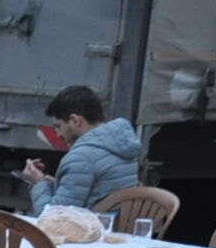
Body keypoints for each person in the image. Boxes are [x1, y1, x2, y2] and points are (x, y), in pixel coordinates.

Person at [24, 84, 140, 215]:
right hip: (116, 228)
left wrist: (38, 183)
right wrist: (51, 183)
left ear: (75, 120)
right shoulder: (120, 143)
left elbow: (53, 217)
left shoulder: (81, 158)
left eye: (58, 126)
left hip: (88, 232)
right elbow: (95, 191)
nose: (58, 134)